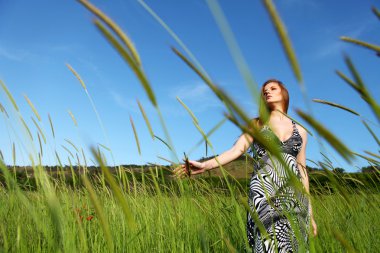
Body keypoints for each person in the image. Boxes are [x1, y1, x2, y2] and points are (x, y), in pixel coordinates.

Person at [174, 79, 317, 252]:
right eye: (265, 91)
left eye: (273, 88)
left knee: (293, 244)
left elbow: (302, 171)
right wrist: (206, 165)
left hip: (293, 196)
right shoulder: (257, 124)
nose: (267, 92)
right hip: (264, 192)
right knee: (267, 243)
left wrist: (310, 214)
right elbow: (236, 151)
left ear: (284, 94)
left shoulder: (300, 130)